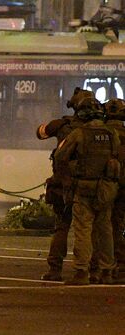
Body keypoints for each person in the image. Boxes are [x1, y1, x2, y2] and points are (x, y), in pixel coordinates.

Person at [54, 97, 120, 285]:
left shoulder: (79, 133)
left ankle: (81, 272)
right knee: (105, 229)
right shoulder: (111, 133)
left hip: (84, 188)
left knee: (83, 230)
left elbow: (61, 156)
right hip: (106, 189)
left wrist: (71, 172)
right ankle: (106, 271)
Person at [36, 88, 94, 281]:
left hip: (62, 185)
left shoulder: (62, 125)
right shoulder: (100, 129)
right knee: (88, 229)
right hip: (89, 186)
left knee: (62, 227)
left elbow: (40, 132)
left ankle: (55, 269)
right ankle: (91, 269)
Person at [103, 98, 125, 280]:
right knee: (118, 225)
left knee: (104, 227)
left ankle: (104, 266)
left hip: (106, 188)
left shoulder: (104, 135)